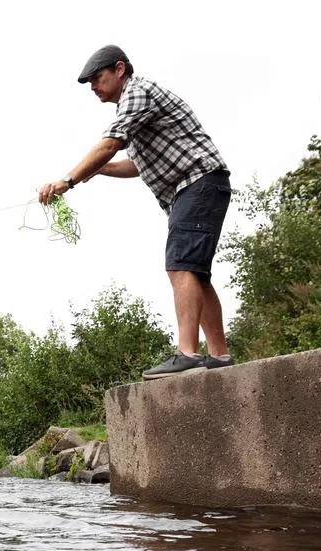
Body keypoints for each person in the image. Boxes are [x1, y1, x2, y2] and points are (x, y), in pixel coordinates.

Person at [38, 45, 234, 379]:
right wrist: (98, 170)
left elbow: (110, 144)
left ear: (119, 69)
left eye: (97, 78)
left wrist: (68, 180)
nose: (93, 87)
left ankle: (187, 353)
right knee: (195, 272)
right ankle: (220, 357)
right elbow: (137, 165)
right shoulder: (134, 107)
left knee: (180, 264)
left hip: (198, 182)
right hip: (198, 187)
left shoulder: (137, 92)